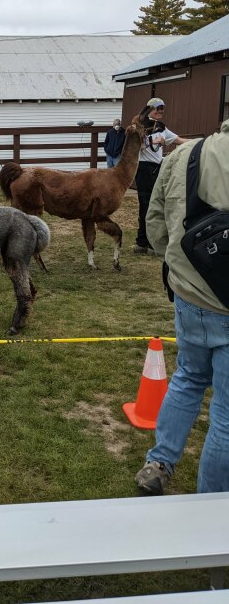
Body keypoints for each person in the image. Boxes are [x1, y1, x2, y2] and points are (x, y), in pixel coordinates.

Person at [135, 119, 229, 496]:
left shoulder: (184, 155)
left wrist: (182, 268)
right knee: (225, 413)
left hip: (189, 296)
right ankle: (212, 505)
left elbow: (156, 224)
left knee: (188, 377)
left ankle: (158, 463)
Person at [133, 97, 187, 254]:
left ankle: (147, 242)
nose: (161, 111)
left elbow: (178, 140)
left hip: (157, 168)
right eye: (158, 108)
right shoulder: (138, 126)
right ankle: (145, 243)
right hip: (144, 168)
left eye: (162, 109)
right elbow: (136, 145)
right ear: (150, 109)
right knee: (147, 205)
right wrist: (152, 141)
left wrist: (202, 142)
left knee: (156, 205)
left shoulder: (161, 127)